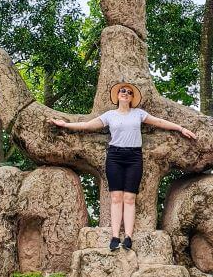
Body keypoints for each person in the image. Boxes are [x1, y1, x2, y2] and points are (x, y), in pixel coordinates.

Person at [49, 81, 196, 250]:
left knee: (129, 198)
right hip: (115, 157)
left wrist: (180, 128)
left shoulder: (139, 114)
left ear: (132, 98)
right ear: (117, 96)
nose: (125, 93)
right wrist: (66, 125)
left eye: (128, 92)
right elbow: (87, 125)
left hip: (134, 157)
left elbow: (160, 122)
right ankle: (114, 237)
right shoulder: (110, 115)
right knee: (116, 198)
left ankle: (128, 237)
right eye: (122, 91)